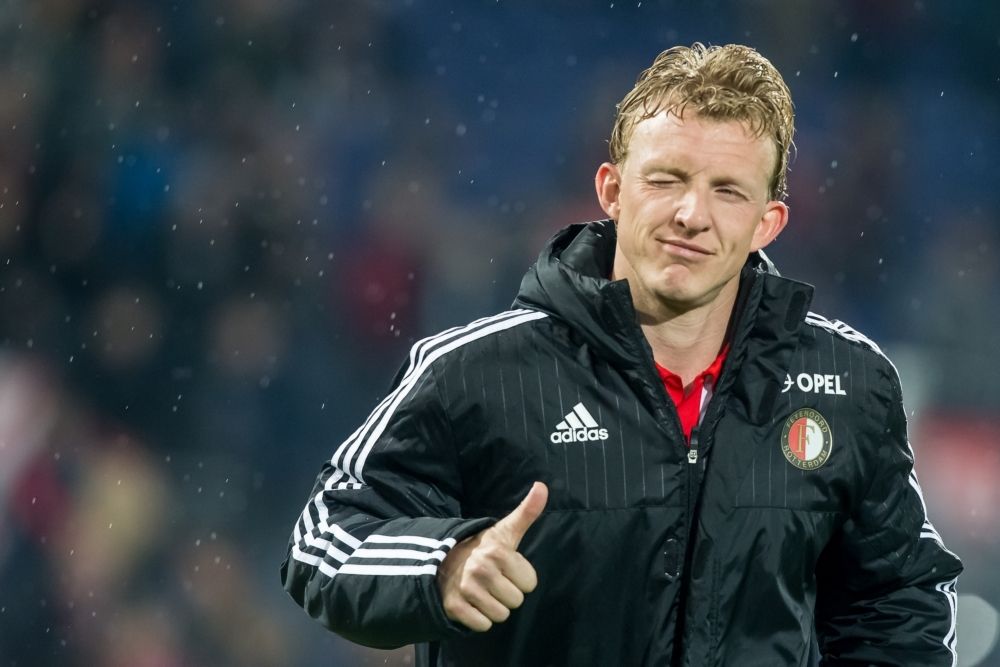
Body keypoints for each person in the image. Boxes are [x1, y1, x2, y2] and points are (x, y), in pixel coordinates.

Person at [281, 43, 962, 666]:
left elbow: (897, 606)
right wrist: (443, 565)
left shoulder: (847, 383)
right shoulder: (475, 373)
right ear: (611, 190)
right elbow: (324, 538)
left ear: (768, 222)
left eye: (727, 190)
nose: (692, 214)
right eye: (666, 179)